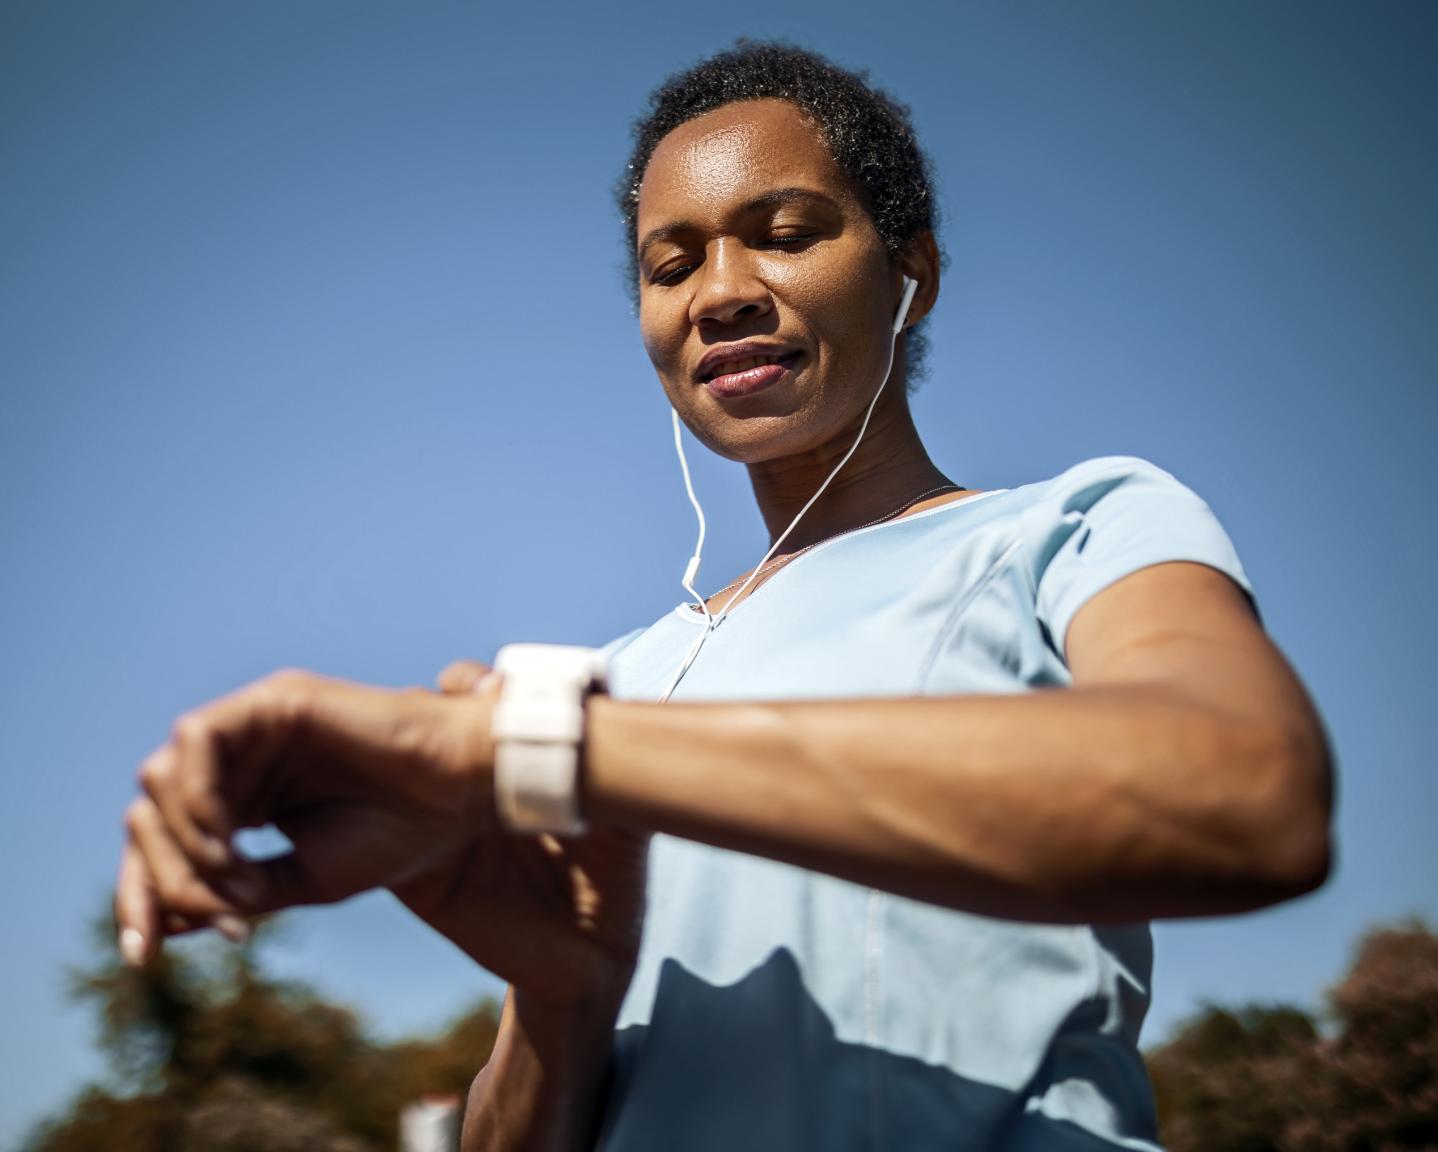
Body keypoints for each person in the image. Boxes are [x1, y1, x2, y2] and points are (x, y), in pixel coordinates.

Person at [114, 41, 1333, 1152]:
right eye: (671, 262)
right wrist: (561, 990)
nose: (721, 291)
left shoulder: (1074, 530)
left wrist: (553, 748)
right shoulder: (616, 684)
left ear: (911, 273)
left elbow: (1247, 792)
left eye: (787, 233)